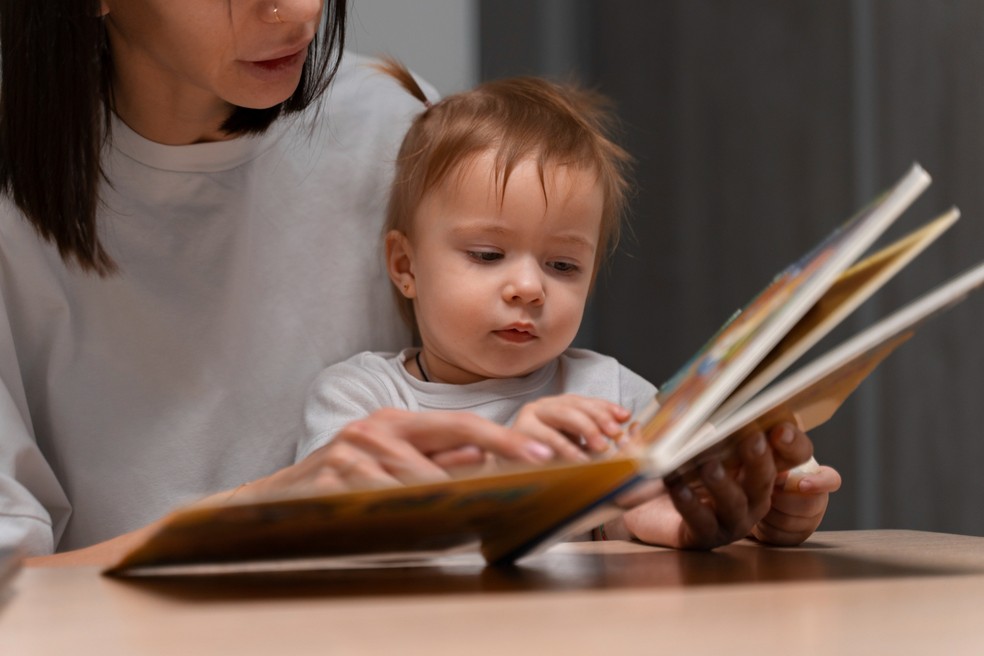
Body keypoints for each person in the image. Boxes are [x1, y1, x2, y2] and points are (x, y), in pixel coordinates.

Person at [0, 0, 830, 565]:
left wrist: (721, 501)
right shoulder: (18, 209)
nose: (295, 10)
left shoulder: (396, 128)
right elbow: (18, 590)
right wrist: (276, 508)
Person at [301, 60, 842, 549]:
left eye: (562, 266)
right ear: (405, 266)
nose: (529, 288)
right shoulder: (362, 398)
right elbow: (333, 529)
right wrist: (507, 461)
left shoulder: (611, 395)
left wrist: (755, 505)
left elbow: (639, 511)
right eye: (489, 254)